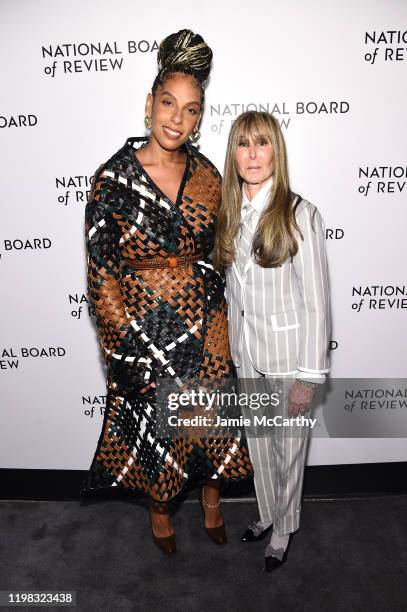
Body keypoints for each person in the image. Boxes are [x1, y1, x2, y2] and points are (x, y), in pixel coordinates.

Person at [83, 30, 252, 555]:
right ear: (149, 105)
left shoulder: (208, 176)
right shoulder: (112, 179)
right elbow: (100, 273)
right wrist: (126, 347)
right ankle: (161, 509)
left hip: (206, 323)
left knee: (211, 424)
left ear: (201, 118)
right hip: (147, 327)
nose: (177, 119)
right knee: (161, 434)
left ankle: (211, 499)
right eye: (168, 104)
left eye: (191, 109)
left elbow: (225, 250)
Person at [214, 111, 330, 572]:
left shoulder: (301, 214)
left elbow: (318, 305)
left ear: (275, 151)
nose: (254, 154)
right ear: (234, 154)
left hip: (288, 360)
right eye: (244, 145)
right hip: (247, 356)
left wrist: (309, 376)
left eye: (263, 143)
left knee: (289, 453)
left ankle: (284, 530)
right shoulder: (228, 212)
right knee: (260, 448)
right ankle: (266, 515)